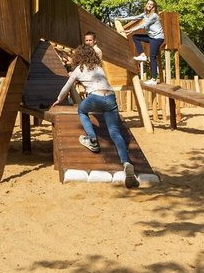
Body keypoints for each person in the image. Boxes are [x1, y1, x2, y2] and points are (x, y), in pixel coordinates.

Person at [51, 45, 139, 189]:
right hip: (110, 97)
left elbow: (66, 87)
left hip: (95, 97)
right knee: (115, 132)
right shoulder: (98, 68)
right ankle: (126, 163)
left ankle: (92, 139)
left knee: (81, 110)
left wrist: (59, 99)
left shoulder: (78, 69)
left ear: (79, 56)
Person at [120, 0, 165, 85]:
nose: (149, 5)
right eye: (148, 3)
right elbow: (134, 17)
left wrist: (131, 30)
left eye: (151, 4)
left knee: (152, 57)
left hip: (157, 38)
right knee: (136, 37)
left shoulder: (154, 16)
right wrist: (121, 19)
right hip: (151, 37)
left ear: (153, 7)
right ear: (146, 4)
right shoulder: (145, 14)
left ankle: (154, 79)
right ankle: (142, 55)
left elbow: (144, 25)